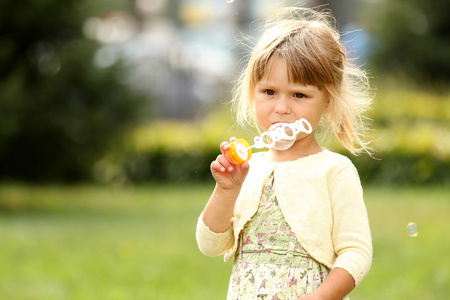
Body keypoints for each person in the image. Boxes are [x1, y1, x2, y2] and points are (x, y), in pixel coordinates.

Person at [196, 6, 373, 300]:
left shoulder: (334, 171)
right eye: (269, 92)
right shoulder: (248, 168)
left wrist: (319, 297)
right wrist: (226, 190)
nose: (281, 108)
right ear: (253, 92)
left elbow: (356, 253)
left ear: (327, 100)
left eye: (299, 95)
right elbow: (210, 245)